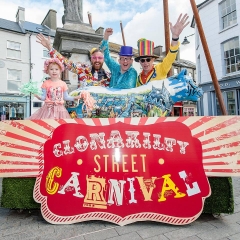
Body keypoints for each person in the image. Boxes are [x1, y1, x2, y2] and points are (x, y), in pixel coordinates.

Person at [36, 33, 110, 88]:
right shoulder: (83, 69)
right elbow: (66, 63)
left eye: (100, 58)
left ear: (103, 59)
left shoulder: (109, 77)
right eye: (94, 58)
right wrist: (49, 47)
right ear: (91, 59)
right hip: (83, 107)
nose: (97, 60)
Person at [135, 13, 189, 87]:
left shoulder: (161, 69)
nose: (145, 62)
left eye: (148, 59)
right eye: (142, 60)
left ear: (153, 59)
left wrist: (175, 37)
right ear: (140, 62)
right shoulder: (138, 79)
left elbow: (171, 57)